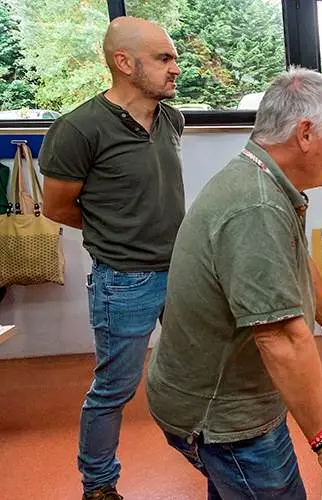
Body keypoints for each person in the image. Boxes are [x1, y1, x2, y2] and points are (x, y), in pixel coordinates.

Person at [146, 67, 322, 500]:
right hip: (224, 414)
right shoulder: (256, 207)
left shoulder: (265, 179)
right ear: (305, 134)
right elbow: (280, 337)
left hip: (217, 395)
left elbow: (296, 258)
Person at [39, 17, 184, 500]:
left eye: (174, 57)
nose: (175, 67)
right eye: (164, 58)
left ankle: (212, 458)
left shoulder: (171, 118)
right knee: (114, 390)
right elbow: (57, 207)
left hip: (180, 271)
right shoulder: (78, 129)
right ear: (125, 63)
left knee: (194, 370)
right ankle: (98, 485)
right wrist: (114, 233)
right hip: (123, 281)